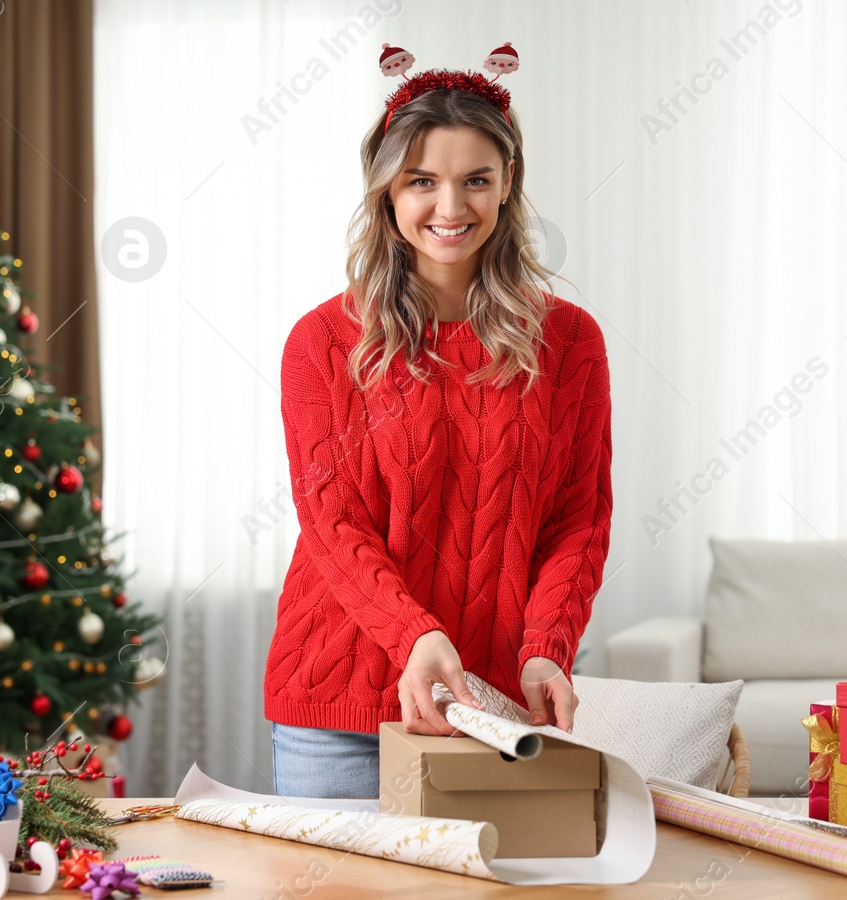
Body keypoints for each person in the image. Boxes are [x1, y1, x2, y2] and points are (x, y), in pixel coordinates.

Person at [262, 43, 613, 799]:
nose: (450, 209)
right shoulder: (322, 342)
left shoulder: (571, 342)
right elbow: (332, 522)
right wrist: (415, 635)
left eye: (475, 181)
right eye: (422, 181)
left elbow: (577, 520)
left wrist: (547, 647)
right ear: (386, 189)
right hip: (342, 708)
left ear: (507, 185)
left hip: (494, 706)